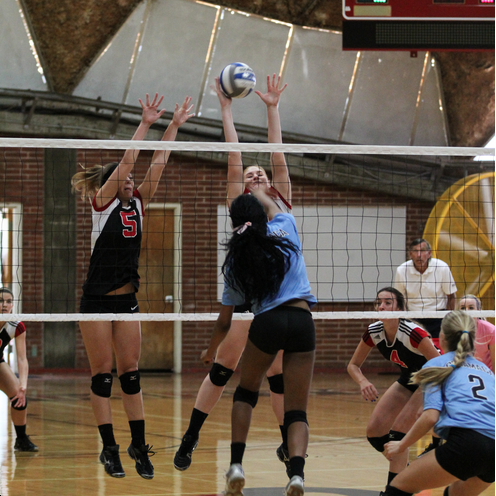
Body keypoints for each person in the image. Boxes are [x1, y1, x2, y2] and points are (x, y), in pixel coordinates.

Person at [71, 93, 194, 479]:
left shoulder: (139, 202)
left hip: (127, 302)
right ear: (108, 184)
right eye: (122, 178)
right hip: (95, 301)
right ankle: (108, 448)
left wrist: (172, 125)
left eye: (129, 180)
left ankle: (138, 444)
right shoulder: (103, 203)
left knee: (132, 374)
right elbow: (129, 160)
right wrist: (145, 123)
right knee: (102, 375)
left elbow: (157, 162)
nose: (129, 180)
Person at [174, 74, 292, 474]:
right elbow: (235, 157)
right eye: (250, 175)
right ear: (242, 186)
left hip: (276, 292)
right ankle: (190, 437)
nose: (256, 175)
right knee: (224, 368)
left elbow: (276, 155)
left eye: (261, 174)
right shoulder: (239, 204)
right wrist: (226, 109)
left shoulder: (282, 202)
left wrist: (272, 109)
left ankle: (286, 442)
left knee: (276, 373)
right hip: (245, 291)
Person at [210, 187, 316, 496]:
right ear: (261, 216)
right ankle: (297, 475)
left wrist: (210, 349)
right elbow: (274, 208)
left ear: (234, 223)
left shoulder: (236, 260)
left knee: (246, 393)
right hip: (301, 321)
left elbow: (225, 321)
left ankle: (236, 466)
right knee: (297, 411)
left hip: (267, 323)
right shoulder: (285, 228)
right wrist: (259, 189)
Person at [383, 310, 495, 496]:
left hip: (467, 443)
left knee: (397, 488)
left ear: (441, 336)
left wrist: (400, 445)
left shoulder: (436, 365)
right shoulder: (486, 370)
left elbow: (430, 416)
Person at [347, 287, 440, 492]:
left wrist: (428, 398)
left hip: (430, 377)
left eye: (388, 302)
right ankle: (405, 474)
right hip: (408, 378)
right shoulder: (374, 332)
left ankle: (394, 490)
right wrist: (363, 382)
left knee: (398, 434)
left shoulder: (413, 333)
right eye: (378, 302)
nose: (382, 306)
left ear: (399, 307)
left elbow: (440, 364)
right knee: (375, 432)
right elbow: (353, 365)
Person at [394, 238, 457, 348]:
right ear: (410, 254)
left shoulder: (442, 267)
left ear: (429, 253)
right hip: (413, 317)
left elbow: (451, 296)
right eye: (415, 251)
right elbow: (399, 299)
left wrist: (449, 320)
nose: (419, 255)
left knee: (439, 351)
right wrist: (404, 320)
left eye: (422, 250)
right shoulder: (402, 270)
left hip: (438, 317)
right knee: (413, 353)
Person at [0, 287, 38, 452]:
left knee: (18, 396)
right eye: (1, 301)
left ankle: (21, 440)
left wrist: (23, 385)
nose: (4, 305)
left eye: (8, 301)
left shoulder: (16, 326)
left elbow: (22, 359)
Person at [459, 294, 494, 372]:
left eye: (471, 308)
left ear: (478, 310)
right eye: (463, 308)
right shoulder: (452, 329)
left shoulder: (490, 330)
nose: (467, 311)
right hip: (463, 374)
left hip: (486, 373)